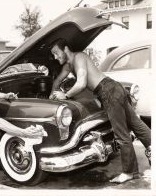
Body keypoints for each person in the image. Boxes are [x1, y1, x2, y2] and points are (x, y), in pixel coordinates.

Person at [49, 38, 151, 184]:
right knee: (136, 124)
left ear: (65, 49)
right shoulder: (68, 65)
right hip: (114, 88)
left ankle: (129, 173)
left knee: (121, 134)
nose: (55, 57)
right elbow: (57, 81)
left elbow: (82, 82)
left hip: (108, 91)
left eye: (56, 53)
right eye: (53, 55)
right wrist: (53, 94)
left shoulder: (79, 57)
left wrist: (64, 95)